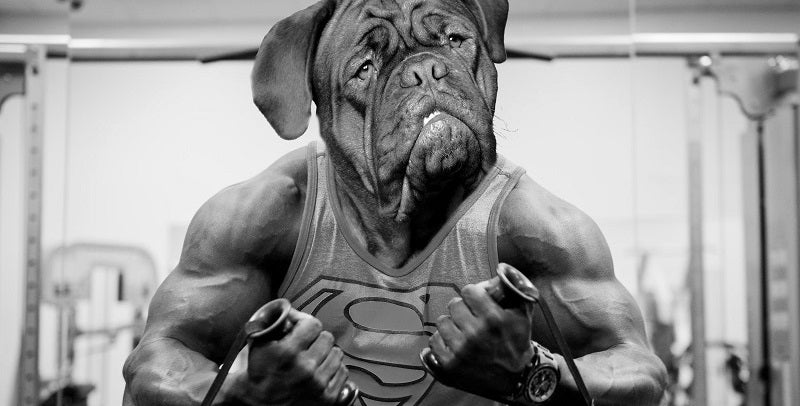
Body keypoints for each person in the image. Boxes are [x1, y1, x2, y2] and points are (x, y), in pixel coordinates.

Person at [122, 0, 667, 404]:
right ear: (317, 104)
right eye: (365, 68)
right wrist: (243, 392)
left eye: (453, 41)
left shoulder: (535, 226)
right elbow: (150, 370)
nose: (427, 74)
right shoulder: (267, 215)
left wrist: (528, 372)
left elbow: (642, 375)